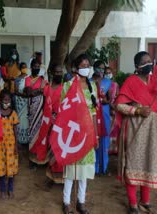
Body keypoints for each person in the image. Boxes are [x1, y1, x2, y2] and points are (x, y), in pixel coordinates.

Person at [116, 51, 157, 214]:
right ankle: (133, 204)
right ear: (137, 66)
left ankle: (145, 201)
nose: (149, 64)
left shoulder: (154, 81)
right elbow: (119, 105)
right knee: (133, 164)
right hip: (135, 129)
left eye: (150, 61)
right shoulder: (131, 81)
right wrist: (138, 110)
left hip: (152, 131)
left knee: (148, 162)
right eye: (145, 62)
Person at [62, 54, 98, 214]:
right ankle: (66, 202)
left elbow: (94, 113)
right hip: (73, 133)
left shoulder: (93, 87)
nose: (86, 68)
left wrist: (95, 135)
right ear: (76, 68)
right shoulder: (68, 85)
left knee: (84, 170)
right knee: (71, 170)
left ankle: (81, 202)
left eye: (88, 65)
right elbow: (63, 110)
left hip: (88, 134)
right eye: (83, 65)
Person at [24, 58, 48, 167]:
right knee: (32, 133)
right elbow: (29, 93)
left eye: (38, 67)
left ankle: (40, 157)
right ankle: (32, 159)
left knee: (40, 133)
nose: (36, 68)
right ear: (31, 67)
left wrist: (38, 91)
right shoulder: (28, 79)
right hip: (32, 110)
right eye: (35, 66)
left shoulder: (43, 80)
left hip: (42, 110)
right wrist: (40, 90)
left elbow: (46, 93)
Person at [0, 89, 19, 200]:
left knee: (11, 168)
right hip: (0, 145)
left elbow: (15, 130)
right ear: (1, 100)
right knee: (1, 166)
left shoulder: (13, 113)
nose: (7, 101)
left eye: (8, 99)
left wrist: (16, 145)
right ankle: (2, 190)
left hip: (11, 144)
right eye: (5, 100)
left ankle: (10, 189)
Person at [45, 64, 64, 184]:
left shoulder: (65, 88)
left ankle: (61, 176)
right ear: (52, 73)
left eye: (60, 72)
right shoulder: (47, 88)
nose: (59, 74)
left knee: (60, 148)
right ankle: (51, 176)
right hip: (48, 122)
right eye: (57, 72)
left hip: (61, 122)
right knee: (50, 147)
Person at [92, 60, 112, 175]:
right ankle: (93, 168)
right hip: (93, 115)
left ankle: (104, 168)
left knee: (104, 141)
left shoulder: (107, 82)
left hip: (104, 115)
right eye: (99, 68)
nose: (101, 70)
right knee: (94, 139)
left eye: (103, 68)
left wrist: (106, 101)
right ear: (94, 68)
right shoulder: (88, 81)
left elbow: (109, 99)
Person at [105, 67, 119, 154]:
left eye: (109, 73)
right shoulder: (102, 84)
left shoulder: (115, 85)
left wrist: (115, 106)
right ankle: (107, 149)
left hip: (114, 110)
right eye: (106, 73)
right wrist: (110, 105)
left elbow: (118, 96)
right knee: (106, 129)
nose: (108, 74)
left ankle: (114, 149)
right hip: (106, 109)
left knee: (115, 129)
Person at [14, 62, 29, 145]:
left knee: (26, 119)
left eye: (25, 67)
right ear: (20, 69)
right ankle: (20, 138)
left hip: (27, 102)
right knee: (20, 118)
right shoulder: (17, 79)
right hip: (20, 101)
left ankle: (26, 138)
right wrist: (23, 95)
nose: (24, 68)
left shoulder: (29, 78)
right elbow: (16, 91)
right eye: (23, 67)